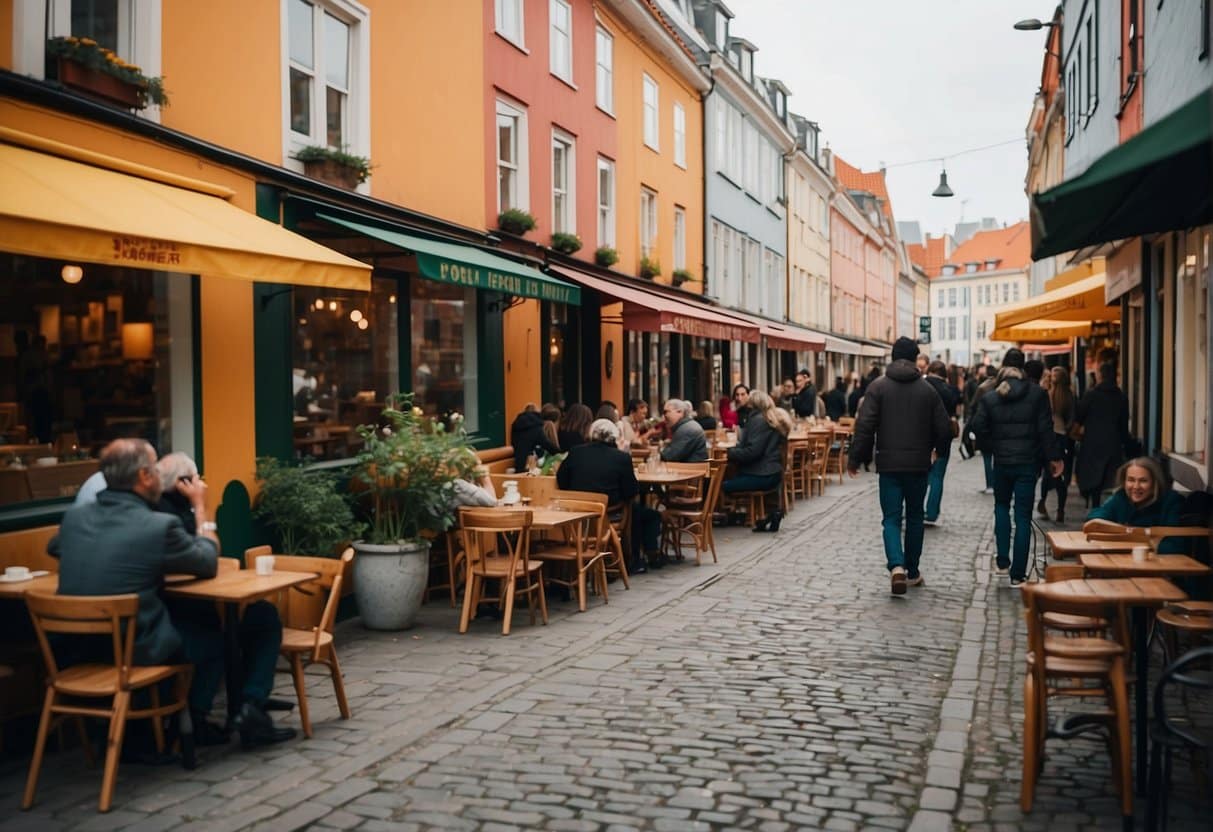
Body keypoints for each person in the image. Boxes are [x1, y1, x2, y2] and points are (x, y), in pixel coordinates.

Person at [50, 440, 295, 748]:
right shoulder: (156, 525)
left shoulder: (75, 518)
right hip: (134, 649)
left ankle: (191, 721)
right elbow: (207, 561)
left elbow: (54, 547)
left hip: (77, 649)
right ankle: (196, 722)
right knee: (216, 640)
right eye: (155, 468)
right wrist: (201, 509)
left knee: (205, 624)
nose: (159, 474)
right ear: (143, 476)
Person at [154, 453, 295, 741]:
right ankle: (247, 707)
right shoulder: (174, 517)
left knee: (256, 618)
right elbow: (210, 555)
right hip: (182, 617)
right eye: (197, 478)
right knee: (261, 620)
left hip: (173, 612)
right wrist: (201, 507)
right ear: (184, 483)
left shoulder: (152, 509)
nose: (202, 483)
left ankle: (238, 707)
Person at [847, 337, 952, 595]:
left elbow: (865, 426)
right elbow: (944, 427)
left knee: (891, 519)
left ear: (893, 357)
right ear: (916, 358)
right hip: (918, 466)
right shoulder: (928, 391)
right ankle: (912, 571)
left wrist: (855, 457)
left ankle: (896, 566)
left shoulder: (878, 387)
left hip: (889, 465)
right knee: (915, 516)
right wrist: (939, 451)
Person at [968, 349, 1064, 588]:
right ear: (1023, 368)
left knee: (1001, 507)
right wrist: (1054, 457)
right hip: (1027, 463)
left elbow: (977, 426)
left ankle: (1002, 561)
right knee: (1022, 515)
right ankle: (1018, 573)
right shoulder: (1038, 394)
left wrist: (993, 446)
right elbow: (1045, 429)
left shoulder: (990, 396)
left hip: (1002, 463)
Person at [557, 419, 661, 573]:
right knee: (646, 514)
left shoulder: (575, 452)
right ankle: (640, 559)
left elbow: (561, 481)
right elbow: (630, 492)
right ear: (614, 437)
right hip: (609, 514)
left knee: (636, 512)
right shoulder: (621, 457)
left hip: (577, 517)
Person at [1084, 457, 1187, 553]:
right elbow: (1094, 519)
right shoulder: (1121, 496)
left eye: (1143, 481)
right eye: (1131, 480)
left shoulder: (1171, 502)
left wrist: (1129, 536)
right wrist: (1127, 532)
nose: (1136, 486)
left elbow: (1175, 546)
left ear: (1155, 482)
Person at [723, 390, 791, 532]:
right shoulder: (770, 419)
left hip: (762, 474)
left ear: (752, 404)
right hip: (772, 473)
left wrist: (729, 453)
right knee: (731, 478)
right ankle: (770, 514)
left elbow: (752, 452)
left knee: (723, 485)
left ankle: (730, 516)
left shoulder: (758, 420)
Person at [1074, 363, 1132, 508]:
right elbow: (1123, 425)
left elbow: (1079, 417)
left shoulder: (1091, 395)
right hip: (1113, 443)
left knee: (1093, 478)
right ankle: (1111, 509)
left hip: (1092, 443)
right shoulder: (1121, 397)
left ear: (1100, 375)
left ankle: (1094, 506)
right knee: (1112, 479)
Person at [923, 361, 959, 528]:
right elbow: (955, 413)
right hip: (943, 439)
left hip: (922, 439)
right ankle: (931, 513)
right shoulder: (950, 390)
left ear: (929, 371)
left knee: (920, 477)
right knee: (938, 477)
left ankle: (916, 509)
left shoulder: (922, 386)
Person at [1038, 367, 1076, 522]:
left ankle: (1043, 502)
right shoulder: (1069, 396)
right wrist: (1065, 429)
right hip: (1063, 439)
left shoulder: (1046, 395)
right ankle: (1060, 509)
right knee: (1062, 475)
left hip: (1048, 438)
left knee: (1047, 473)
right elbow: (1072, 418)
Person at [509, 404, 560, 472]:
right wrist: (560, 453)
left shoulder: (517, 423)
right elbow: (546, 444)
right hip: (528, 465)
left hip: (518, 462)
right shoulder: (536, 427)